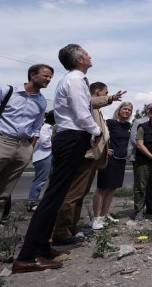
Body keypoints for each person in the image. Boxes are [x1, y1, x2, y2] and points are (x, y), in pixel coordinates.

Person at [14, 44, 100, 273]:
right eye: (87, 53)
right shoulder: (74, 80)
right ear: (80, 59)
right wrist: (97, 131)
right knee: (53, 196)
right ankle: (27, 256)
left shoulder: (76, 79)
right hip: (72, 137)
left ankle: (42, 248)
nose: (90, 55)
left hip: (73, 137)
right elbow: (82, 114)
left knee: (58, 194)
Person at [0, 64, 53, 251]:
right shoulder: (6, 91)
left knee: (1, 196)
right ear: (32, 75)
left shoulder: (41, 101)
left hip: (22, 146)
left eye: (50, 77)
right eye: (45, 76)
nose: (48, 80)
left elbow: (37, 126)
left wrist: (29, 148)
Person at [52, 81, 124, 244]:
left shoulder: (96, 109)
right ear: (98, 92)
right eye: (105, 92)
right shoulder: (87, 103)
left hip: (92, 156)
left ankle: (71, 227)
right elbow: (89, 103)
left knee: (80, 193)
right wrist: (112, 98)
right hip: (85, 154)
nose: (107, 94)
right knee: (73, 193)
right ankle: (61, 230)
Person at [91, 101, 133, 229]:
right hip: (109, 159)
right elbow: (98, 136)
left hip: (121, 159)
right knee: (103, 188)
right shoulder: (110, 123)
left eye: (129, 110)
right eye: (124, 109)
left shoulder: (127, 126)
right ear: (119, 110)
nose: (127, 111)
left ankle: (104, 215)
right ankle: (96, 218)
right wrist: (104, 150)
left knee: (112, 188)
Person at [129, 103, 152, 216]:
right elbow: (134, 140)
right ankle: (139, 211)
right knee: (140, 185)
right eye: (150, 108)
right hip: (140, 158)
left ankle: (151, 207)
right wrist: (149, 152)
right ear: (148, 110)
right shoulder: (139, 122)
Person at [27, 110, 56, 212]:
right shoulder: (44, 127)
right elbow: (45, 143)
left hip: (49, 155)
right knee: (40, 180)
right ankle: (32, 202)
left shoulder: (51, 128)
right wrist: (56, 143)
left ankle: (47, 201)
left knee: (52, 179)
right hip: (43, 156)